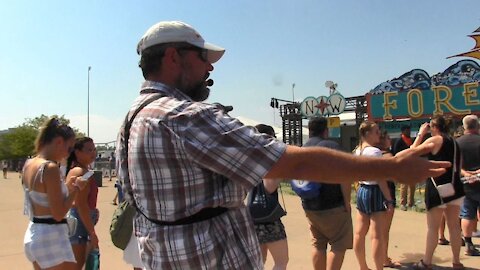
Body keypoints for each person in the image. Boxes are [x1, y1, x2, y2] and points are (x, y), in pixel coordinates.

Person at [116, 20, 450, 269]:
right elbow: (295, 163)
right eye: (203, 57)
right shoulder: (185, 116)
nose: (210, 66)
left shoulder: (132, 118)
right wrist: (392, 167)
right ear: (173, 57)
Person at [22, 118, 88, 269]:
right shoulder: (50, 168)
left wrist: (68, 188)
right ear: (59, 142)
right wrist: (76, 189)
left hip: (35, 231)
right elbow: (58, 213)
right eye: (69, 148)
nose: (68, 153)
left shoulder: (29, 164)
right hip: (50, 235)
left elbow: (44, 197)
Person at [297, 117, 352, 270]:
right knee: (338, 244)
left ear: (309, 131)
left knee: (318, 243)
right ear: (326, 131)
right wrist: (347, 201)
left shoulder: (303, 148)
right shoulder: (331, 146)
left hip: (310, 205)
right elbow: (345, 176)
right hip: (333, 204)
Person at [411, 116, 465, 270]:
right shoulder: (455, 142)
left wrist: (421, 134)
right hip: (455, 187)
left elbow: (412, 152)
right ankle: (456, 262)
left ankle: (426, 262)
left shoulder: (435, 140)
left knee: (433, 228)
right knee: (454, 226)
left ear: (434, 127)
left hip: (437, 188)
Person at [353, 121, 395, 270]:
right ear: (367, 134)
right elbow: (380, 179)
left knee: (359, 232)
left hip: (362, 190)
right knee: (377, 235)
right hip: (375, 191)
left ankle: (363, 266)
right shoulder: (375, 152)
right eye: (376, 131)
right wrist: (389, 199)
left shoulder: (357, 151)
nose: (379, 134)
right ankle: (379, 268)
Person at [249, 124, 288, 270]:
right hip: (269, 219)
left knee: (259, 262)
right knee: (281, 261)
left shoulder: (249, 157)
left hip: (252, 216)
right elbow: (269, 186)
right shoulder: (268, 159)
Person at [65, 137, 99, 269]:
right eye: (89, 150)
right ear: (77, 152)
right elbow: (80, 205)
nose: (93, 153)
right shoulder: (80, 172)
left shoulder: (81, 170)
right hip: (80, 224)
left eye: (94, 149)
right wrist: (92, 232)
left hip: (80, 221)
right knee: (78, 265)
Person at [378, 130, 401, 268]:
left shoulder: (370, 153)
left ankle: (381, 256)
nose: (390, 140)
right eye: (387, 138)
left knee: (376, 230)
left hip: (373, 193)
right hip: (387, 193)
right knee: (384, 230)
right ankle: (384, 258)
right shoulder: (387, 156)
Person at [457, 114, 480, 256]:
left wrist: (465, 173)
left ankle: (468, 243)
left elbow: (454, 164)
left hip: (464, 184)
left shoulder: (457, 143)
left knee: (467, 214)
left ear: (464, 126)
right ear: (477, 126)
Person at [393, 125, 416, 211]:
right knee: (404, 185)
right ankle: (403, 203)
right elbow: (395, 152)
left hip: (411, 165)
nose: (409, 132)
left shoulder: (411, 140)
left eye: (409, 130)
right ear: (403, 131)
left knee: (412, 184)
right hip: (402, 165)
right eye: (407, 130)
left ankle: (411, 203)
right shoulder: (399, 141)